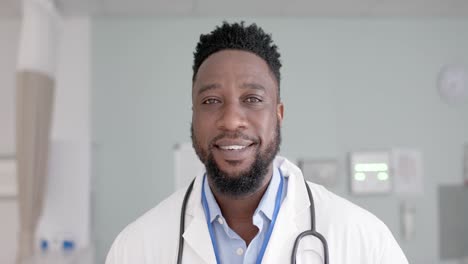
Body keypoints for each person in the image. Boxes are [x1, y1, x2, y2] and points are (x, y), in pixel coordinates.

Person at [105, 21, 409, 264]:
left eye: (252, 99)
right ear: (194, 116)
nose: (231, 120)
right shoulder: (135, 248)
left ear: (278, 115)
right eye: (211, 100)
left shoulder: (364, 241)